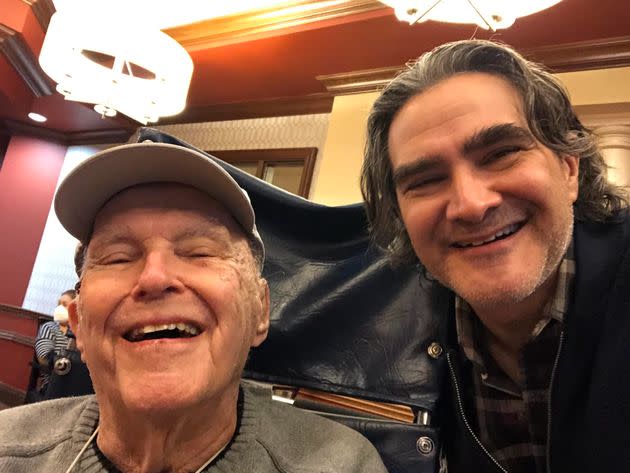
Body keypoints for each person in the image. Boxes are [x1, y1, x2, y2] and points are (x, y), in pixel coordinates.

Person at [0, 142, 388, 473]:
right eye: (118, 258)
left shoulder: (344, 464)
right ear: (79, 323)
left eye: (199, 252)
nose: (154, 278)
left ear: (260, 310)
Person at [361, 39, 630, 473]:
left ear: (568, 168)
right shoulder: (388, 327)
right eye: (426, 180)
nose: (470, 204)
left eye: (502, 153)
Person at [34, 289, 77, 391]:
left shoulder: (81, 333)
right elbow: (43, 358)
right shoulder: (49, 327)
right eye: (58, 304)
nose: (59, 308)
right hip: (53, 381)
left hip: (77, 382)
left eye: (64, 304)